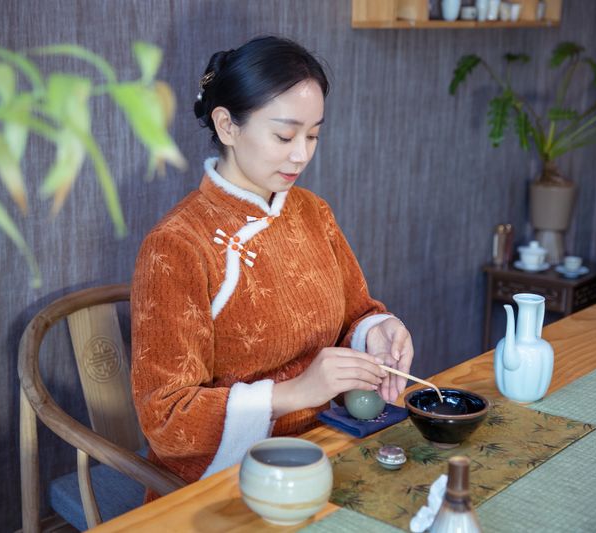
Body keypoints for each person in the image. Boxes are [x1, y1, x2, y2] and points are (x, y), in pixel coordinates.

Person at [130, 36, 414, 491]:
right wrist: (297, 392)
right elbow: (165, 419)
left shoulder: (312, 212)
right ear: (226, 125)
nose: (301, 154)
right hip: (224, 477)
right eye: (284, 135)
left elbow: (357, 313)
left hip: (328, 443)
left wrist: (377, 332)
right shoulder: (177, 245)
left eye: (314, 134)